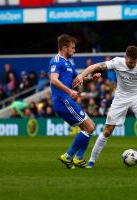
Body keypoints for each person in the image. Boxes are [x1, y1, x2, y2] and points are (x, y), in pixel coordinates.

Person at [73, 45, 137, 168]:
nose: (132, 64)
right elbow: (96, 66)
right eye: (130, 62)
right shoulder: (117, 62)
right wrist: (82, 75)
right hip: (120, 98)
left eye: (134, 62)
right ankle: (91, 161)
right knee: (107, 131)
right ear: (125, 57)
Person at [49, 34, 100, 169]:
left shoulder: (68, 63)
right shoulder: (56, 60)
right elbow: (53, 79)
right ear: (64, 48)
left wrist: (91, 78)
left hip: (66, 100)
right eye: (72, 48)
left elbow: (76, 80)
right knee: (90, 127)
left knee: (88, 127)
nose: (74, 50)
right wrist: (69, 91)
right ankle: (69, 156)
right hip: (62, 100)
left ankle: (77, 158)